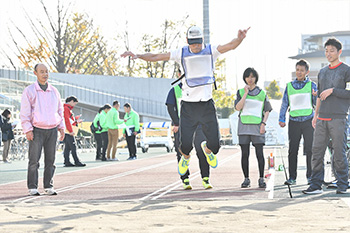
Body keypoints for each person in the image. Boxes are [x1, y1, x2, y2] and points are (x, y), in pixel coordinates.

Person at [121, 25, 249, 175]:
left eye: (198, 42)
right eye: (192, 42)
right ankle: (186, 157)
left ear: (202, 40)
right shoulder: (180, 53)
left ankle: (207, 150)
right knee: (186, 145)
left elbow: (230, 46)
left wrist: (239, 38)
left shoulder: (211, 51)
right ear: (187, 41)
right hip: (188, 106)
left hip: (206, 105)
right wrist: (138, 55)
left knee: (215, 146)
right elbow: (156, 56)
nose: (195, 46)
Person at [303, 38, 350, 195]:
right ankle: (316, 185)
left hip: (339, 118)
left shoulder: (346, 70)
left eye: (331, 51)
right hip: (322, 118)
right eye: (326, 51)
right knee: (316, 152)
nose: (328, 54)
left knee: (338, 153)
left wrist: (333, 90)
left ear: (339, 52)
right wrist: (315, 115)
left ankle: (343, 184)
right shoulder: (322, 72)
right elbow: (319, 97)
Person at [20, 63, 65, 196]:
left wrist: (61, 127)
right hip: (36, 130)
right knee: (34, 160)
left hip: (52, 129)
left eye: (46, 71)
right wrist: (28, 129)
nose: (45, 74)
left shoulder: (54, 91)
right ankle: (32, 187)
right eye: (41, 72)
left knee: (50, 160)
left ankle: (48, 185)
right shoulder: (29, 91)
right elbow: (25, 112)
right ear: (35, 73)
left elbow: (60, 110)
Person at [165, 78, 212, 189]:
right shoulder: (175, 90)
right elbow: (170, 107)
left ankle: (205, 178)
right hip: (182, 126)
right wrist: (176, 123)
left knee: (202, 151)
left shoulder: (198, 88)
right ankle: (185, 179)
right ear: (179, 74)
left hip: (199, 126)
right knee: (182, 152)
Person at [279, 60, 317, 185]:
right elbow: (285, 103)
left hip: (308, 121)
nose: (299, 72)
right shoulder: (289, 86)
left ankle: (310, 177)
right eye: (297, 69)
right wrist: (282, 118)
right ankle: (292, 177)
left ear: (307, 72)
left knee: (310, 150)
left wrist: (315, 96)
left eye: (301, 70)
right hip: (294, 121)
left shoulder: (312, 85)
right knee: (292, 150)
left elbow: (317, 103)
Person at [234, 68, 272, 188]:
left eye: (252, 77)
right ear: (244, 78)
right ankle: (246, 179)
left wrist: (263, 124)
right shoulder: (240, 92)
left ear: (256, 78)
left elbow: (267, 110)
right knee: (244, 154)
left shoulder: (262, 93)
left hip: (257, 127)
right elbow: (237, 108)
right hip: (243, 127)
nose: (250, 79)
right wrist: (245, 93)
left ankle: (261, 179)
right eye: (247, 77)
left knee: (259, 154)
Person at [63, 96, 85, 167]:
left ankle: (67, 161)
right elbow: (67, 120)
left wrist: (75, 120)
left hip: (67, 130)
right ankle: (76, 161)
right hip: (68, 131)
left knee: (68, 147)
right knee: (73, 146)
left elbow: (68, 120)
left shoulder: (66, 108)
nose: (74, 105)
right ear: (72, 101)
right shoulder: (66, 108)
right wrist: (70, 130)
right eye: (75, 103)